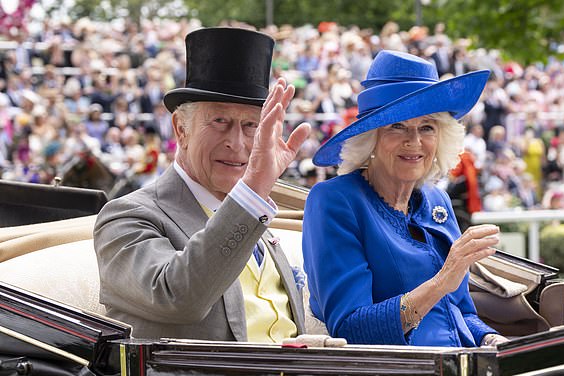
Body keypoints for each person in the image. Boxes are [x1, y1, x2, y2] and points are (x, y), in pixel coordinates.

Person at [93, 27, 310, 341]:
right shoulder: (127, 217)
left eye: (251, 125)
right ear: (181, 129)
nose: (236, 143)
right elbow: (178, 298)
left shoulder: (259, 220)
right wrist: (252, 192)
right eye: (220, 121)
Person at [303, 50, 508, 347]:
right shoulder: (334, 201)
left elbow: (459, 313)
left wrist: (491, 338)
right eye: (397, 126)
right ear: (370, 138)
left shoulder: (437, 201)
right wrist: (440, 283)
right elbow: (349, 328)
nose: (414, 141)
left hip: (463, 366)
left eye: (427, 127)